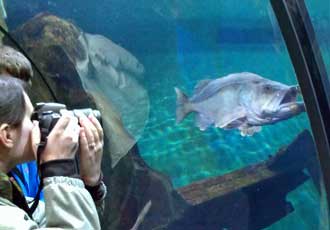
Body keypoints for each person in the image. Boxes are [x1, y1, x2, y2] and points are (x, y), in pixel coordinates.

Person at [0, 75, 105, 229]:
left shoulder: (12, 199)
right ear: (7, 135)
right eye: (31, 118)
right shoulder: (6, 219)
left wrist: (91, 184)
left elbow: (72, 221)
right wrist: (59, 168)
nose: (37, 124)